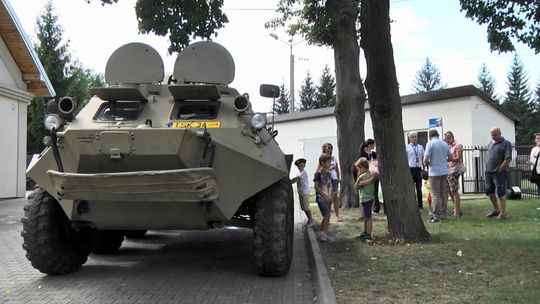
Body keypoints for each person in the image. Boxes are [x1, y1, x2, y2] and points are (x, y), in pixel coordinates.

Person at [423, 129, 455, 223]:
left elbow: (425, 159)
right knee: (443, 193)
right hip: (444, 171)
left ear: (430, 136)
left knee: (435, 193)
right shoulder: (444, 144)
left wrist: (428, 163)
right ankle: (443, 214)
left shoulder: (430, 143)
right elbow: (451, 157)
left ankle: (436, 216)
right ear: (438, 135)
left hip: (434, 172)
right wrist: (442, 161)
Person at [485, 127, 512, 219]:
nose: (493, 136)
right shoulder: (490, 143)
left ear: (500, 133)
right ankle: (496, 210)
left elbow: (508, 158)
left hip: (499, 172)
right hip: (488, 171)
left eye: (495, 135)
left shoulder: (506, 143)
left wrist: (500, 169)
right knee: (489, 191)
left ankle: (503, 213)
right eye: (492, 135)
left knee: (501, 192)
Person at [354, 158, 379, 242]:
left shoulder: (362, 176)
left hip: (366, 199)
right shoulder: (371, 175)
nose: (358, 171)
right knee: (366, 217)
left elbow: (356, 186)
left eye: (359, 169)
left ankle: (368, 234)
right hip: (369, 198)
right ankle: (365, 232)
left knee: (368, 218)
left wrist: (358, 176)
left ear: (363, 168)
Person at [316, 143, 341, 221]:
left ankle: (337, 216)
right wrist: (328, 168)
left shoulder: (334, 158)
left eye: (331, 148)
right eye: (328, 147)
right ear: (324, 149)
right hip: (326, 180)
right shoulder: (321, 159)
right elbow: (318, 170)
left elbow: (337, 170)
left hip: (334, 179)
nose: (330, 149)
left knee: (335, 197)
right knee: (329, 198)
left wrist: (338, 178)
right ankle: (328, 214)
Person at [314, 153, 334, 242]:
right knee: (326, 215)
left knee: (327, 216)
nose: (330, 163)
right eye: (328, 162)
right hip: (321, 198)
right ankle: (323, 235)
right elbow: (316, 186)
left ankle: (324, 234)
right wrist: (325, 196)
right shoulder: (318, 173)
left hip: (328, 198)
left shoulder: (329, 174)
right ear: (322, 162)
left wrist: (331, 197)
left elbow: (330, 186)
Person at [444, 131, 464, 218]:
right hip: (448, 170)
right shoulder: (447, 146)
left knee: (454, 191)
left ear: (452, 137)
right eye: (446, 138)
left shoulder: (458, 145)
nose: (447, 140)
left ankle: (457, 213)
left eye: (448, 138)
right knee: (449, 190)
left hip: (454, 170)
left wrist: (449, 159)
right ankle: (457, 209)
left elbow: (458, 158)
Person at [359, 139, 381, 213]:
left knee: (375, 190)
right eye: (373, 144)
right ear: (369, 145)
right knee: (369, 191)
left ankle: (376, 208)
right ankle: (369, 207)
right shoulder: (363, 153)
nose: (374, 146)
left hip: (374, 173)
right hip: (367, 174)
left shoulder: (374, 153)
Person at [291, 158, 314, 226]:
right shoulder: (298, 173)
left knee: (306, 207)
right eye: (299, 166)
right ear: (297, 167)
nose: (300, 167)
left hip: (305, 192)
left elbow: (296, 179)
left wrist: (289, 181)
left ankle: (311, 220)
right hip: (301, 192)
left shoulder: (304, 172)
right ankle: (309, 220)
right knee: (303, 208)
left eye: (302, 165)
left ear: (304, 166)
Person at [405, 131, 425, 209]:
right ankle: (411, 205)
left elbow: (423, 158)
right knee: (410, 188)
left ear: (417, 137)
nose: (414, 138)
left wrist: (424, 167)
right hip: (410, 169)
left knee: (419, 188)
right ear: (409, 138)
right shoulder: (407, 147)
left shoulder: (420, 147)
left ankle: (420, 205)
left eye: (415, 137)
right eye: (412, 137)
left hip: (418, 168)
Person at [529, 133, 540, 199]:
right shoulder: (533, 149)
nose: (539, 139)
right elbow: (532, 159)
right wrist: (529, 162)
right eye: (537, 138)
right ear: (535, 140)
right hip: (536, 171)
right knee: (539, 187)